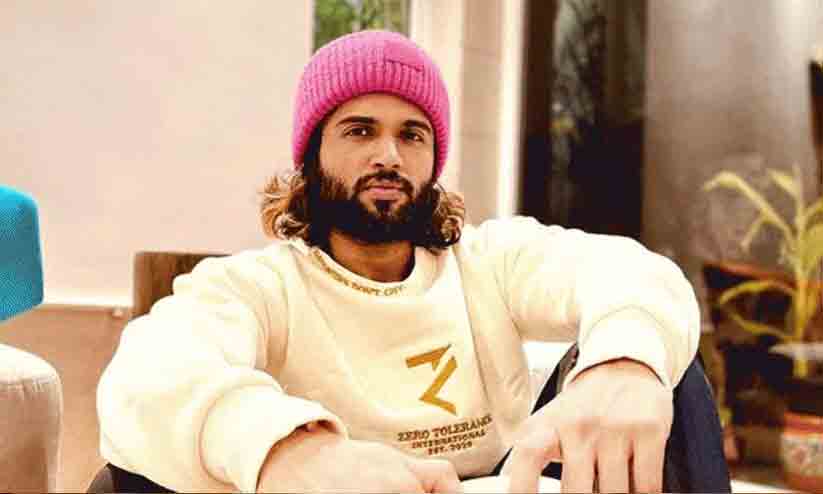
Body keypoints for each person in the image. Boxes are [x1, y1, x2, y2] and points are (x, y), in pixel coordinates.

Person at [95, 30, 730, 493]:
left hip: (501, 479)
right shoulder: (260, 286)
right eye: (360, 130)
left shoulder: (488, 261)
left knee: (661, 367)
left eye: (412, 134)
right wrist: (292, 453)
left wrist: (622, 364)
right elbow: (147, 375)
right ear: (312, 156)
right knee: (127, 476)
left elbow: (631, 272)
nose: (389, 156)